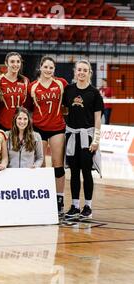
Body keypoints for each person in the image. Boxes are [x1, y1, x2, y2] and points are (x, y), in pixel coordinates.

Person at [63, 59, 103, 222]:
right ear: (75, 71)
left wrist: (96, 140)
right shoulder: (68, 90)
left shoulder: (94, 93)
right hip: (72, 136)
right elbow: (64, 110)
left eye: (85, 70)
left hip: (87, 137)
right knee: (73, 172)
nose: (81, 72)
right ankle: (74, 206)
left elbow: (98, 119)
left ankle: (87, 206)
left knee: (86, 172)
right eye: (79, 69)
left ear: (89, 73)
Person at [28, 56, 67, 215]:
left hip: (57, 127)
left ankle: (59, 199)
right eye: (46, 67)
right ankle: (43, 198)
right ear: (41, 68)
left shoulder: (61, 83)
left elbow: (67, 104)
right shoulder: (32, 86)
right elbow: (29, 108)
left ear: (54, 69)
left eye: (51, 67)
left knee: (58, 165)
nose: (48, 70)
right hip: (38, 128)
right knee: (41, 165)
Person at [0, 52, 29, 131]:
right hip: (1, 124)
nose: (15, 64)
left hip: (20, 124)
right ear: (6, 63)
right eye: (12, 61)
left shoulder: (25, 80)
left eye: (18, 62)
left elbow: (27, 104)